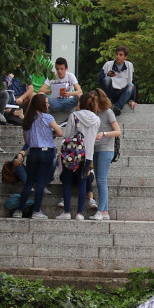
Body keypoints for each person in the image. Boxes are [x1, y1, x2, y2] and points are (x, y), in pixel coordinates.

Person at [14, 94, 62, 219]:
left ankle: (19, 210)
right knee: (40, 183)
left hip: (33, 152)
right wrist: (49, 134)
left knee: (29, 182)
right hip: (47, 152)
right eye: (46, 102)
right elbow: (60, 132)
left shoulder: (27, 120)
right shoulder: (47, 117)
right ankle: (36, 211)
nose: (48, 104)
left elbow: (26, 140)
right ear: (41, 104)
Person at [56, 93, 101, 221]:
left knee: (67, 181)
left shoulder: (74, 116)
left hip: (72, 153)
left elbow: (68, 135)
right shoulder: (97, 119)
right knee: (83, 182)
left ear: (80, 103)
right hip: (88, 155)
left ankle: (67, 212)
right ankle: (80, 213)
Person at [90, 89, 121, 221]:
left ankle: (101, 210)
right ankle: (105, 212)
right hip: (96, 149)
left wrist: (104, 134)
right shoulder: (94, 113)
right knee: (100, 180)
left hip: (106, 149)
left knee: (101, 180)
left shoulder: (108, 113)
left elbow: (118, 131)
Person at [101, 46, 137, 115]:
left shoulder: (129, 65)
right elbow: (100, 81)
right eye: (117, 54)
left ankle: (118, 108)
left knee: (131, 85)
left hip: (122, 93)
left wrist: (132, 100)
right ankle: (107, 101)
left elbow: (132, 82)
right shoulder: (108, 64)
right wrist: (107, 75)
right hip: (111, 92)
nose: (118, 56)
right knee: (107, 79)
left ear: (125, 57)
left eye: (120, 55)